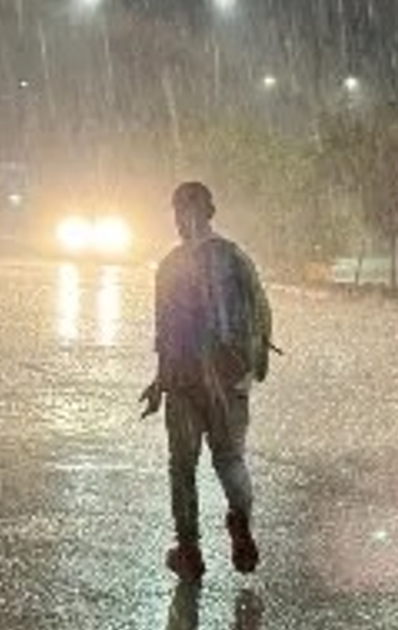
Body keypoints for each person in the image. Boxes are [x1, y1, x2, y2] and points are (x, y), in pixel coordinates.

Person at [141, 182, 273, 582]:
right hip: (230, 378)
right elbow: (262, 310)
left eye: (179, 212)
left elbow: (166, 331)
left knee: (182, 467)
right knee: (230, 459)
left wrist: (161, 382)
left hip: (183, 381)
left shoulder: (171, 264)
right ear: (212, 211)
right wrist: (253, 367)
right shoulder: (236, 258)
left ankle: (189, 550)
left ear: (179, 214)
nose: (181, 221)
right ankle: (239, 519)